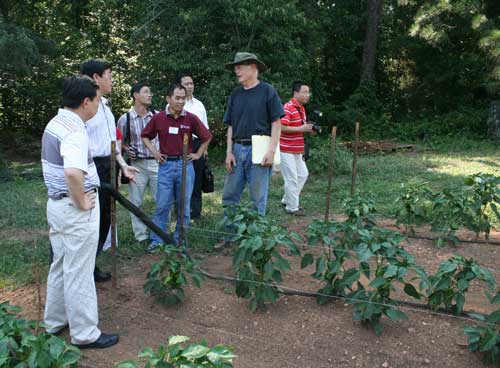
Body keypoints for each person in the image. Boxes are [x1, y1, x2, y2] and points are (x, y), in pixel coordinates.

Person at [42, 75, 119, 349]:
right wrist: (81, 202)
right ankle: (85, 333)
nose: (99, 105)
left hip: (57, 206)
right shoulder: (75, 130)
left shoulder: (56, 122)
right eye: (97, 100)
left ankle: (54, 321)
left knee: (62, 264)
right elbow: (73, 172)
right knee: (80, 271)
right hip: (74, 210)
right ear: (86, 102)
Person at [216, 52, 284, 248]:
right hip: (237, 149)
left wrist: (271, 151)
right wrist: (228, 152)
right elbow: (230, 126)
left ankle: (256, 240)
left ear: (254, 67)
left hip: (260, 149)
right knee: (229, 196)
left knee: (257, 197)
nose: (236, 70)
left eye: (241, 66)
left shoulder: (267, 91)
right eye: (235, 66)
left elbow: (276, 123)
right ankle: (229, 236)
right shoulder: (236, 94)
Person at [81, 59, 138, 283]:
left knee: (105, 219)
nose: (112, 79)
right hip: (91, 167)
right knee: (90, 220)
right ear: (96, 78)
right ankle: (83, 269)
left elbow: (112, 145)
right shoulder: (85, 107)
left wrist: (123, 165)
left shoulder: (104, 106)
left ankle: (91, 266)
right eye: (109, 74)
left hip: (109, 166)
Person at [141, 83, 212, 249]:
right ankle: (157, 240)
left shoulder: (190, 118)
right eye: (177, 98)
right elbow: (145, 136)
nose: (181, 102)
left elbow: (207, 136)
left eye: (183, 99)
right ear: (168, 98)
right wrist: (155, 152)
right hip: (165, 166)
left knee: (183, 205)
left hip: (185, 166)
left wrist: (198, 154)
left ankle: (180, 239)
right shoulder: (158, 118)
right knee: (162, 204)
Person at [117, 83, 159, 245]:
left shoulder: (157, 116)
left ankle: (161, 231)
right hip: (137, 165)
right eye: (146, 92)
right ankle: (141, 235)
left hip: (156, 164)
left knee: (162, 200)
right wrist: (127, 149)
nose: (150, 95)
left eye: (150, 92)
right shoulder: (125, 119)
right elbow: (118, 143)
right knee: (136, 202)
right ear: (136, 95)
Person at [176, 72, 209, 221]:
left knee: (197, 178)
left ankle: (196, 212)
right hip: (180, 145)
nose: (190, 86)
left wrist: (204, 149)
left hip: (197, 144)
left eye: (191, 83)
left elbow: (205, 129)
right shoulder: (175, 104)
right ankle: (180, 212)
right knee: (181, 178)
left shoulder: (199, 104)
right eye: (186, 84)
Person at [279, 81, 315, 216]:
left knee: (303, 174)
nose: (308, 95)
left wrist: (307, 129)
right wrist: (300, 128)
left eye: (308, 92)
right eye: (305, 92)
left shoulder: (301, 108)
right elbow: (281, 127)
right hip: (285, 148)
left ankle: (287, 199)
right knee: (292, 178)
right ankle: (292, 208)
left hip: (297, 148)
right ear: (296, 93)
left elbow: (300, 127)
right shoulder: (287, 107)